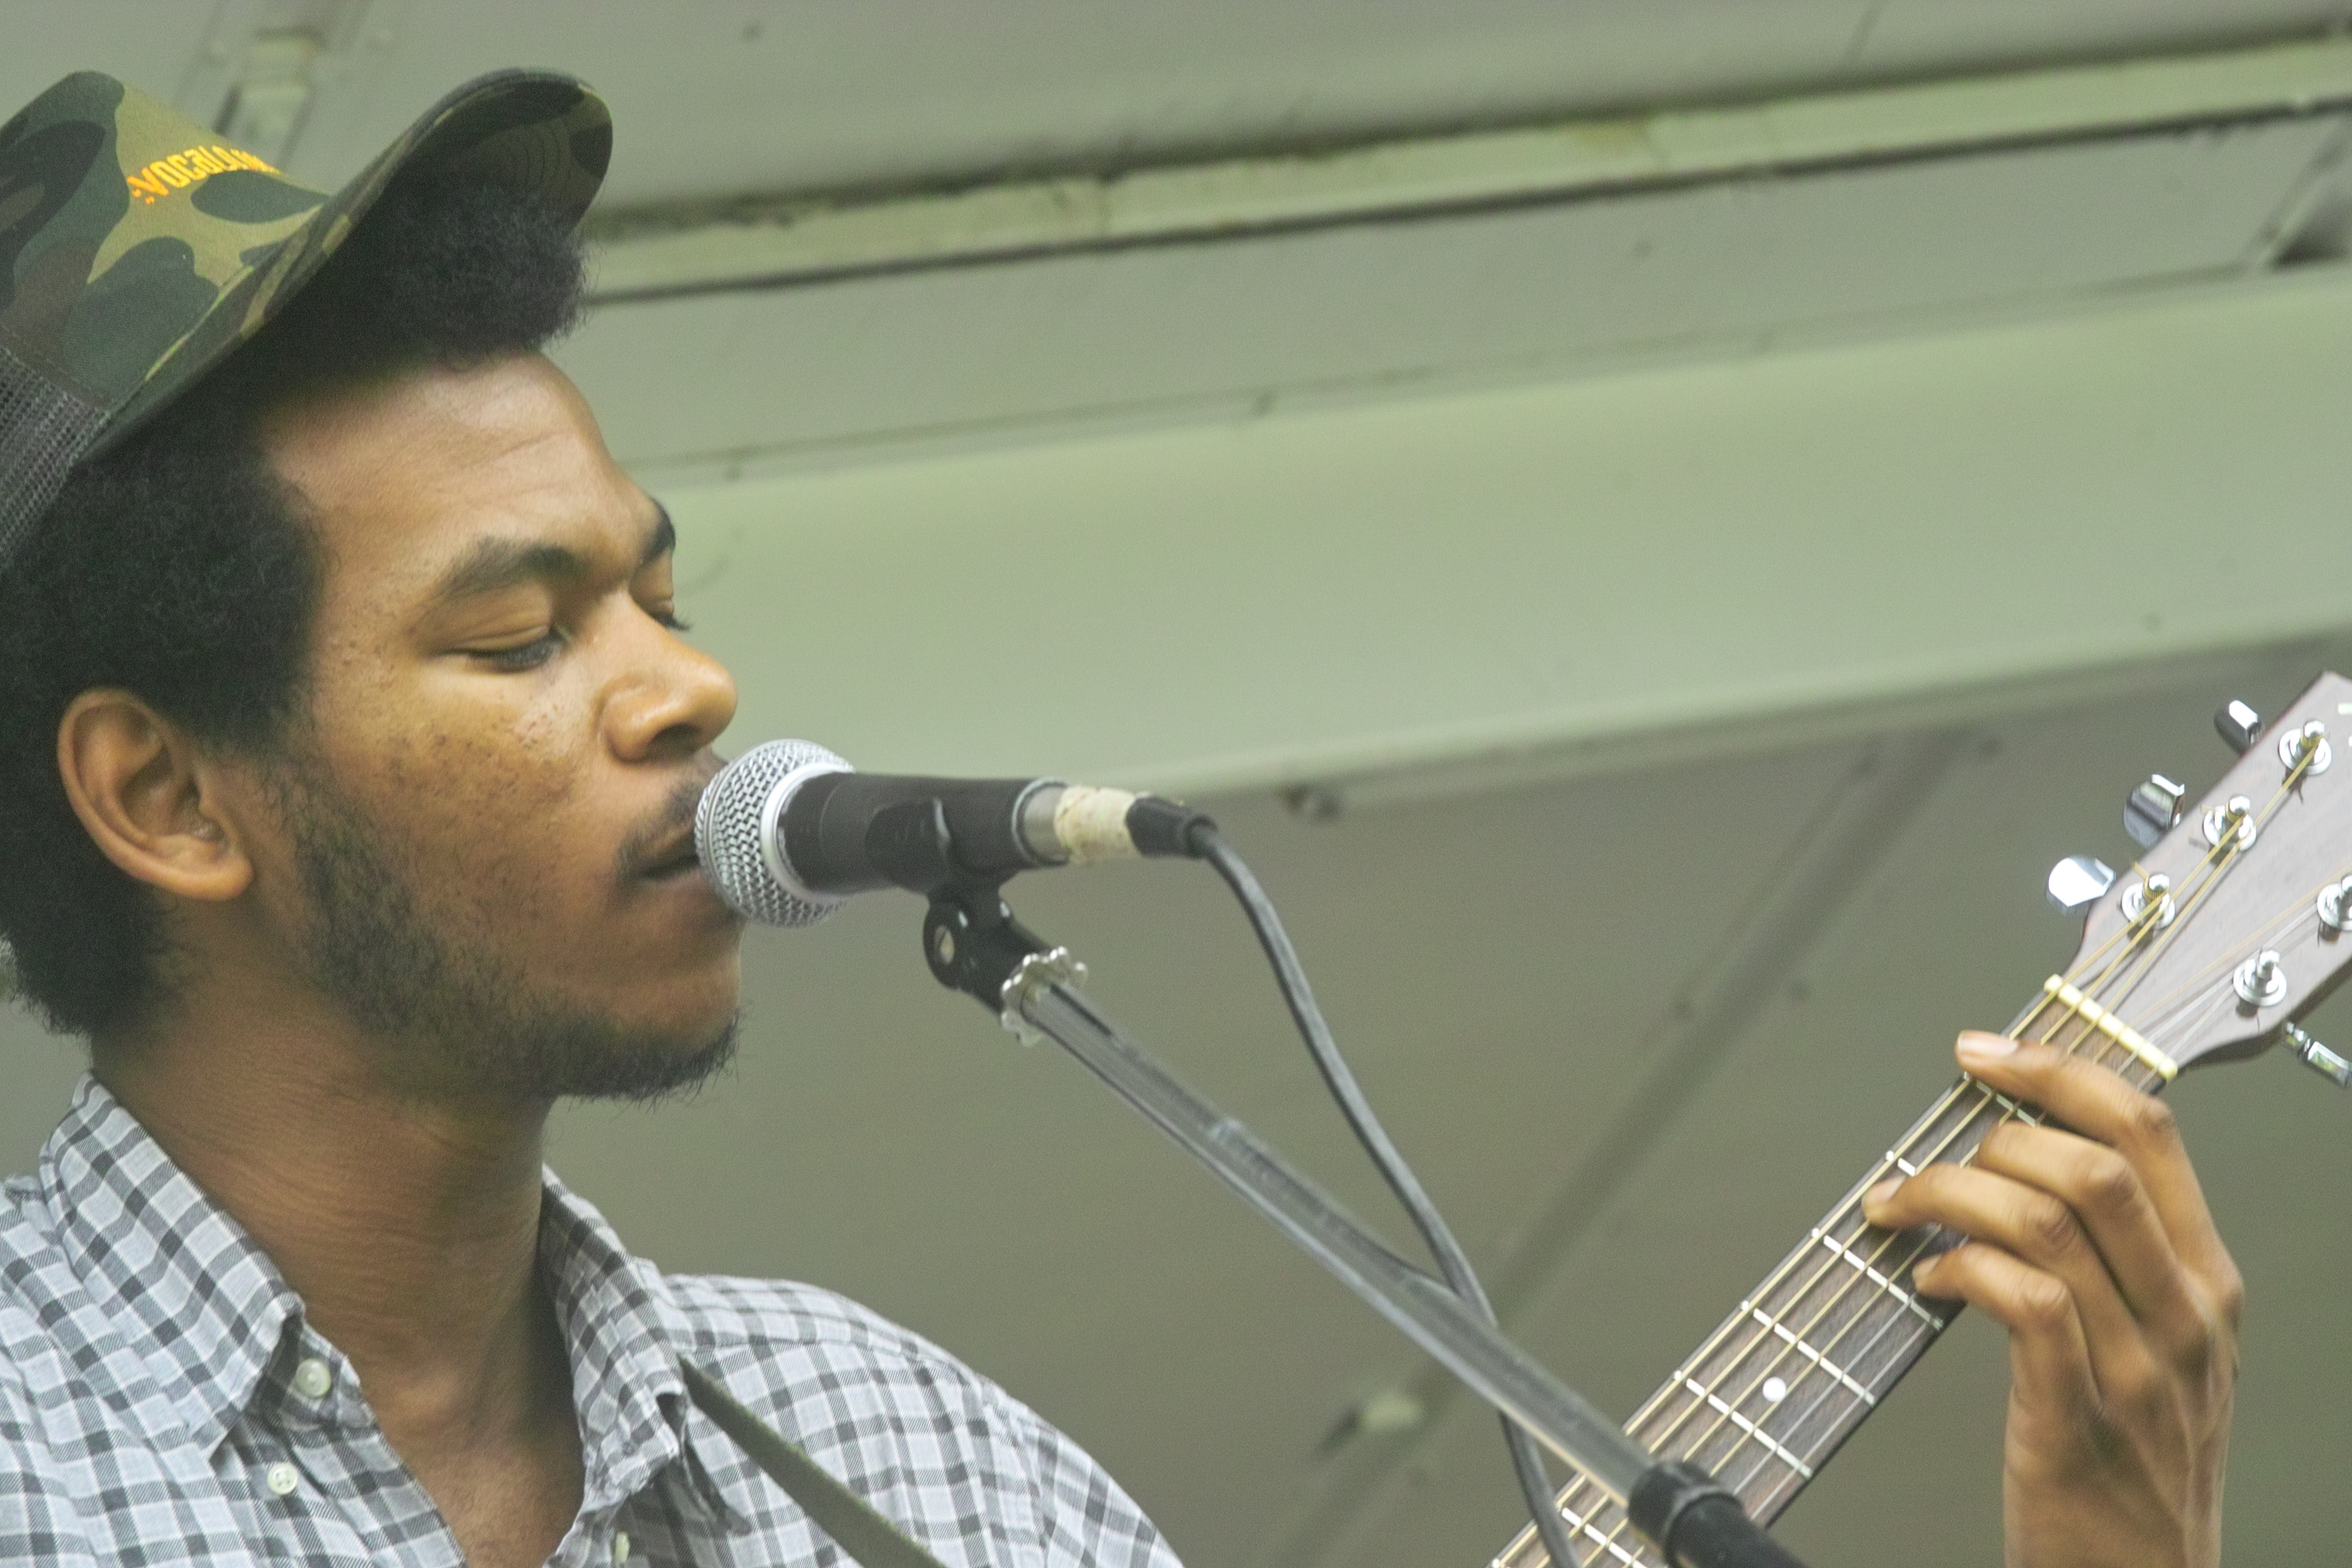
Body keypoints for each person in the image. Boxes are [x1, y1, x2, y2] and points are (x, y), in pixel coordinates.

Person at [0, 69, 2238, 1568]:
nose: (687, 688)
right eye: (520, 636)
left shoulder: (906, 1457)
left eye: (660, 596)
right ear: (167, 795)